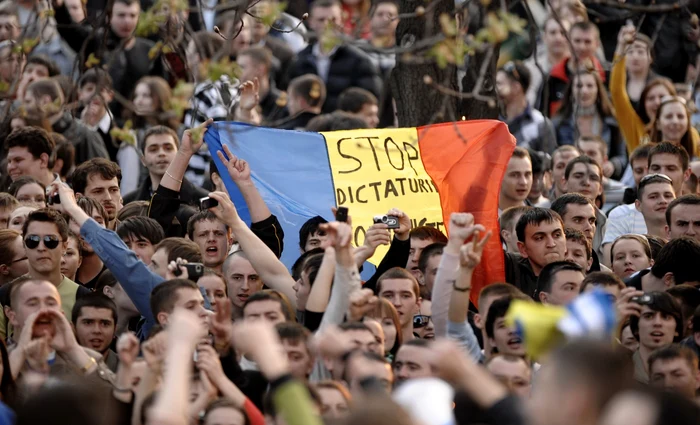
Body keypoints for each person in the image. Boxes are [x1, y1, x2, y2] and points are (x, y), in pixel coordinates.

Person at [53, 0, 162, 118]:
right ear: (109, 17)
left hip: (137, 120)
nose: (127, 21)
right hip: (97, 117)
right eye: (121, 15)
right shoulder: (95, 42)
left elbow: (160, 89)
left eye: (132, 15)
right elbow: (70, 32)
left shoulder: (149, 50)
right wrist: (59, 7)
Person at [0, 208, 90, 341]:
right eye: (32, 241)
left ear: (64, 247)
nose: (41, 247)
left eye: (50, 240)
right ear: (24, 246)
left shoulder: (83, 298)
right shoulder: (4, 295)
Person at [287, 0, 382, 112]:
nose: (327, 25)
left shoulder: (359, 61)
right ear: (311, 22)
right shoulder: (299, 61)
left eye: (333, 20)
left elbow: (370, 103)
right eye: (321, 20)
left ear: (341, 20)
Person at [553, 72, 625, 181]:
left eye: (590, 86)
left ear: (598, 89)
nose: (584, 91)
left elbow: (623, 157)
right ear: (571, 90)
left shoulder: (612, 122)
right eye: (579, 86)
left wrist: (613, 165)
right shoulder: (558, 123)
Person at [23, 79, 109, 164]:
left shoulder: (85, 135)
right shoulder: (32, 134)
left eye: (28, 101)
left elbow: (103, 173)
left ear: (45, 101)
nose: (23, 108)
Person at [123, 126, 208, 206]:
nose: (161, 153)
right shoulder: (128, 203)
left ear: (178, 154)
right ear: (143, 160)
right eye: (153, 149)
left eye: (168, 148)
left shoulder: (203, 199)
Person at [540, 20, 606, 117]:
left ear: (597, 44)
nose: (582, 47)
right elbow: (542, 117)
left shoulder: (606, 77)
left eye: (587, 42)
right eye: (577, 41)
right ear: (568, 41)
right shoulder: (552, 78)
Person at [496, 61, 556, 154]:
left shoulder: (540, 124)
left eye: (499, 84)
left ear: (516, 87)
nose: (495, 89)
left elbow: (548, 162)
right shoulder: (493, 120)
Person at [505, 207, 566, 298]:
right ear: (523, 249)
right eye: (539, 238)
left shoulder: (581, 279)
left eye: (557, 235)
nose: (551, 244)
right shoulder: (510, 269)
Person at [626, 291, 683, 383]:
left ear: (676, 329)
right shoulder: (621, 371)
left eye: (666, 317)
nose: (657, 323)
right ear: (636, 327)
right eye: (648, 316)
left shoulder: (692, 372)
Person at [524, 16, 570, 106]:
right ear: (544, 36)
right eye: (553, 33)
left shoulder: (579, 68)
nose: (558, 38)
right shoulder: (530, 69)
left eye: (563, 33)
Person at [236, 47, 289, 123]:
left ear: (261, 69)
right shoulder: (234, 100)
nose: (237, 72)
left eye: (242, 67)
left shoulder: (282, 105)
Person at [69, 158, 122, 231]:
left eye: (113, 190)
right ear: (79, 197)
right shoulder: (66, 237)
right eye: (98, 191)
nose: (108, 198)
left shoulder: (133, 237)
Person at [71, 293, 119, 372]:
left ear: (115, 329)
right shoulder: (56, 368)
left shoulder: (129, 369)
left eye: (105, 324)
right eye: (88, 323)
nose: (96, 330)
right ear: (73, 327)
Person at [576, 136, 627, 206]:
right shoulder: (565, 189)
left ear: (604, 160)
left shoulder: (623, 192)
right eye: (581, 153)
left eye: (591, 153)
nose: (585, 157)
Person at [377, 268, 421, 343]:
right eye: (388, 296)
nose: (397, 303)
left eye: (405, 296)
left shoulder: (432, 353)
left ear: (417, 304)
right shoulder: (364, 352)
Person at [635, 173, 677, 239]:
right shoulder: (635, 247)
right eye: (653, 197)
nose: (663, 201)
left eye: (668, 196)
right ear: (638, 205)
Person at [499, 147, 533, 213]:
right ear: (499, 177)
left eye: (527, 174)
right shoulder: (479, 219)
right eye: (515, 175)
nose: (524, 182)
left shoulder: (541, 220)